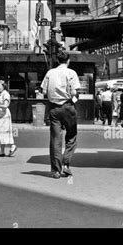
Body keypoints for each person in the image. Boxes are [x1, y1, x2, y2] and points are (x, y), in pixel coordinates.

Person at [42, 50, 81, 179]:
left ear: (57, 61)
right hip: (68, 107)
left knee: (55, 139)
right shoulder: (71, 73)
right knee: (71, 136)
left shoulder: (49, 73)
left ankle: (56, 170)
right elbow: (75, 93)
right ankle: (66, 163)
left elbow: (43, 91)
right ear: (68, 61)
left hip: (53, 109)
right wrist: (73, 102)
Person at [0, 80, 17, 157]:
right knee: (1, 132)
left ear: (4, 86)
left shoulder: (5, 94)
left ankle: (12, 146)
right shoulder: (1, 94)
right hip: (1, 115)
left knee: (5, 132)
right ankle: (2, 151)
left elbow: (6, 105)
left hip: (4, 116)